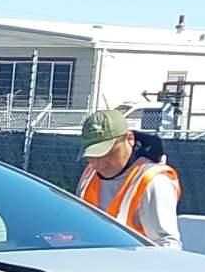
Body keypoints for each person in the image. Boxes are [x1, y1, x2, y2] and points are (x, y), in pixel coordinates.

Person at [77, 107, 181, 249]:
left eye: (109, 153)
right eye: (92, 156)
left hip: (134, 267)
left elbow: (167, 245)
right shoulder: (90, 174)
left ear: (129, 139)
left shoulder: (153, 181)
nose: (99, 163)